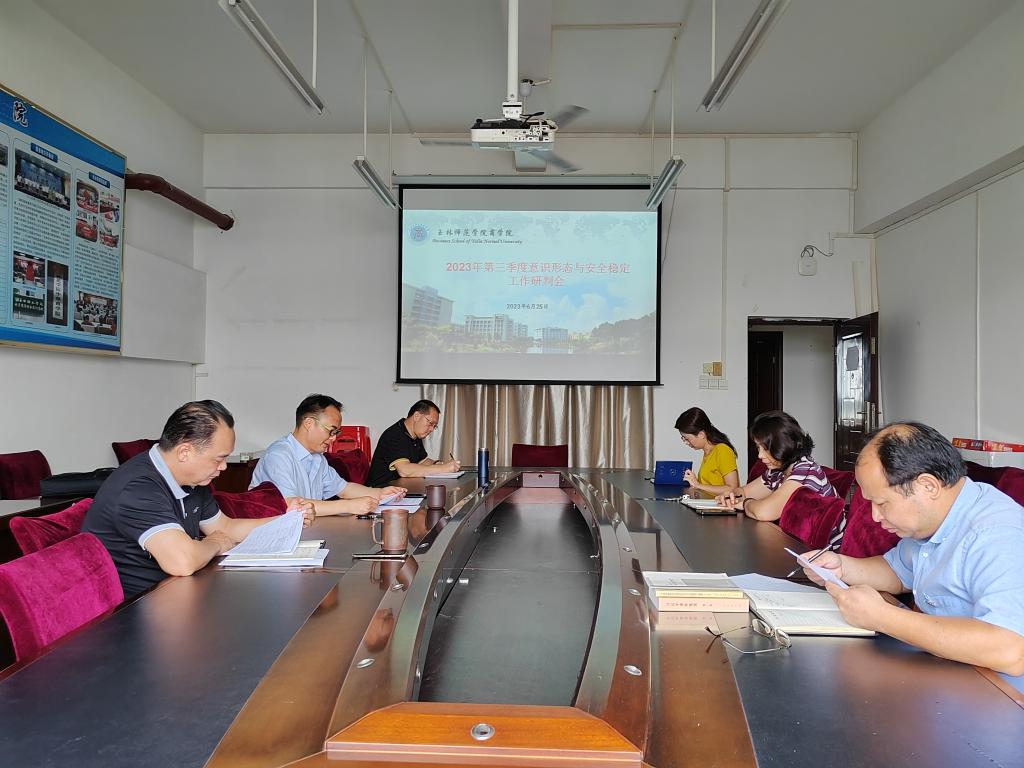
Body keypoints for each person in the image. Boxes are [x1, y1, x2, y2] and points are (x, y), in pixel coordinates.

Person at [801, 422, 1024, 691]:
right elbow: (897, 571)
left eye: (882, 503)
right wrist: (841, 567)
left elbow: (1010, 648)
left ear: (928, 486)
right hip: (944, 674)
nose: (875, 516)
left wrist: (882, 617)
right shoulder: (933, 519)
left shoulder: (997, 534)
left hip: (997, 694)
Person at [83, 400, 314, 598]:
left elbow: (225, 527)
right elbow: (182, 561)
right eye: (218, 459)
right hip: (138, 610)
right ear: (185, 452)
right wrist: (215, 543)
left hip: (180, 594)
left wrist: (286, 520)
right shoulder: (138, 488)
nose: (223, 467)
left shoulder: (191, 479)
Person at [250, 394, 406, 515]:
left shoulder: (317, 458)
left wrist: (379, 493)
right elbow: (291, 505)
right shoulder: (278, 456)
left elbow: (343, 489)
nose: (333, 438)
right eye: (331, 431)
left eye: (336, 433)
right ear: (309, 423)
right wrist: (348, 506)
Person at [718, 410, 836, 520]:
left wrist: (745, 503)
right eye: (758, 448)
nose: (760, 455)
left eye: (765, 448)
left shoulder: (805, 471)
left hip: (820, 537)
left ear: (784, 444)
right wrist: (732, 496)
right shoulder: (778, 470)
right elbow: (743, 492)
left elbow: (764, 512)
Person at [367, 399, 461, 487]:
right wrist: (443, 469)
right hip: (381, 491)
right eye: (430, 423)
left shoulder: (415, 435)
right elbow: (404, 470)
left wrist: (438, 463)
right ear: (416, 416)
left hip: (400, 488)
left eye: (434, 426)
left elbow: (422, 461)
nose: (432, 429)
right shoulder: (395, 434)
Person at [674, 407, 740, 496]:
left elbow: (733, 489)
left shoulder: (722, 450)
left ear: (701, 434)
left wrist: (698, 485)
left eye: (687, 439)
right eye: (683, 438)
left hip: (720, 504)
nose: (686, 442)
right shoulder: (708, 452)